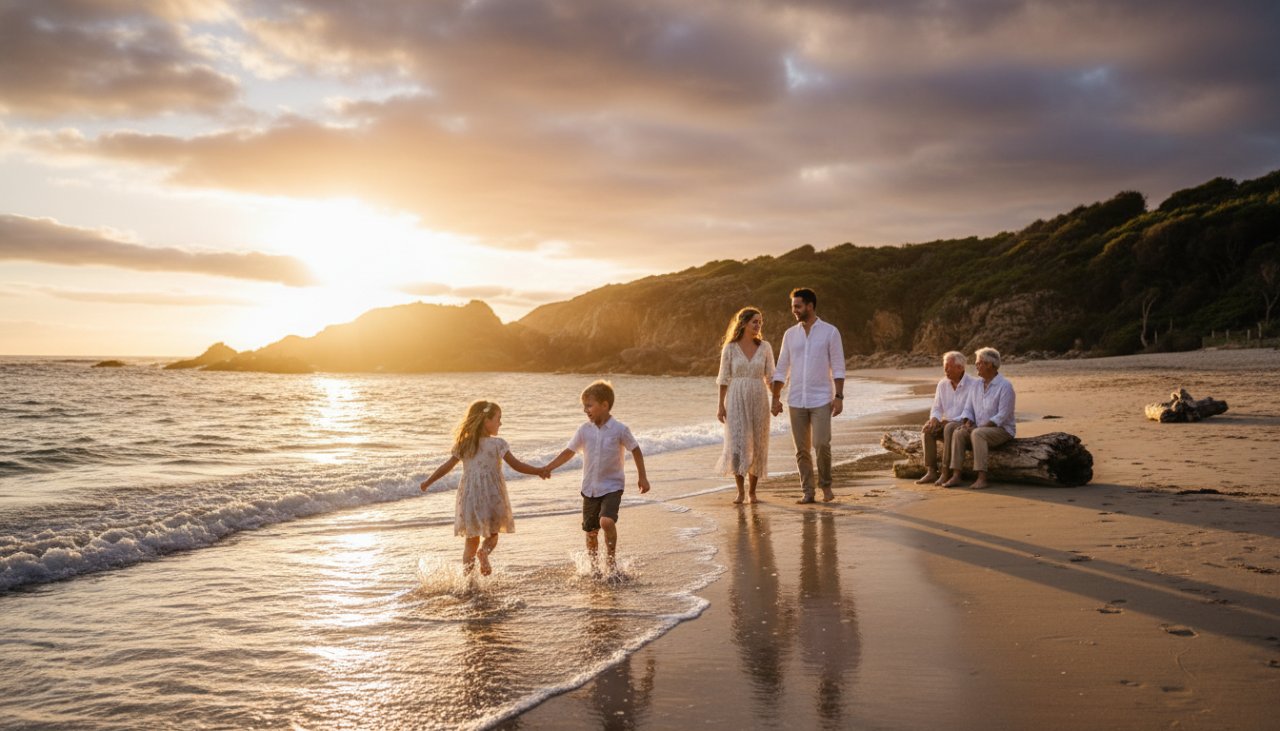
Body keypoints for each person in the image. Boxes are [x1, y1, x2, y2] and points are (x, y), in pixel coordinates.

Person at [419, 399, 548, 575]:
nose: (500, 423)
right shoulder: (498, 444)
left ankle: (468, 582)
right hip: (493, 495)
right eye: (498, 419)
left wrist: (428, 482)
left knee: (470, 540)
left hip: (470, 497)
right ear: (486, 420)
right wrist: (538, 470)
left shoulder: (465, 445)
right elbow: (516, 465)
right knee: (493, 534)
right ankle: (484, 552)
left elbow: (446, 467)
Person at [544, 380, 651, 571]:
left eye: (589, 405)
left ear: (604, 405)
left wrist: (642, 477)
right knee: (591, 531)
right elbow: (569, 451)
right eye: (584, 406)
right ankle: (593, 568)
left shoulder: (620, 429)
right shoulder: (584, 430)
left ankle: (610, 561)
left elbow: (635, 449)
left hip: (612, 486)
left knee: (606, 521)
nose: (586, 410)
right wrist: (549, 467)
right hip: (590, 488)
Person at [771, 287, 846, 504]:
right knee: (801, 450)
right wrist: (775, 398)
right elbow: (781, 368)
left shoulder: (830, 332)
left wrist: (839, 396)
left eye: (798, 306)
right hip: (796, 399)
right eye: (793, 306)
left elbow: (838, 366)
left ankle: (826, 486)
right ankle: (808, 491)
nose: (794, 310)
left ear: (810, 306)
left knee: (822, 444)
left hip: (821, 398)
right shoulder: (790, 334)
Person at [716, 306, 776, 505]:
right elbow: (723, 378)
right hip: (735, 397)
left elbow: (771, 376)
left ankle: (752, 493)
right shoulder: (730, 348)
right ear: (743, 323)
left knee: (758, 443)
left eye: (760, 322)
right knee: (737, 445)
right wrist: (720, 406)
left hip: (759, 396)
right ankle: (740, 492)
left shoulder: (765, 347)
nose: (759, 325)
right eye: (755, 321)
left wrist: (776, 398)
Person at [943, 347, 1016, 489]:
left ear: (990, 365)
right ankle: (956, 475)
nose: (976, 366)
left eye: (979, 363)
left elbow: (1002, 415)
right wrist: (967, 421)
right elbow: (968, 409)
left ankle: (982, 478)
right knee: (959, 432)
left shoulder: (1005, 386)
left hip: (1001, 430)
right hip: (980, 428)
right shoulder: (976, 384)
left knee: (977, 433)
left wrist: (981, 427)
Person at [917, 351, 979, 485]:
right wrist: (934, 418)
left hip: (965, 423)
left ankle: (946, 472)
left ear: (960, 368)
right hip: (947, 423)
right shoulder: (942, 384)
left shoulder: (974, 384)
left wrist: (950, 421)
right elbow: (937, 407)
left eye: (948, 367)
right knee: (927, 429)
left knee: (949, 427)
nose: (945, 370)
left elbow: (973, 411)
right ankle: (931, 471)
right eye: (944, 367)